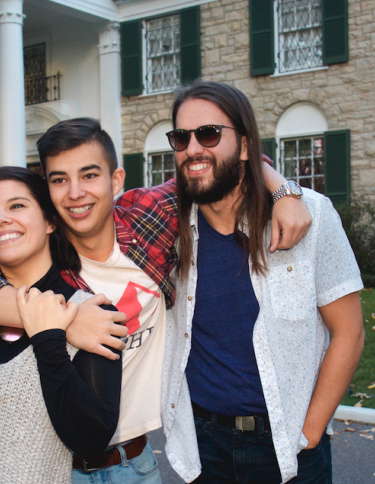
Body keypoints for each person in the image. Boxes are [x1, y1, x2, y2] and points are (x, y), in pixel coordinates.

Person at [0, 118, 311, 483]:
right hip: (55, 466)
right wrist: (65, 319)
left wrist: (284, 192)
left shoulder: (147, 216)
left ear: (115, 180)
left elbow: (221, 163)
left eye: (89, 175)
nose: (75, 193)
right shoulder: (40, 253)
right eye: (59, 180)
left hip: (136, 460)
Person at [161, 81, 365, 484]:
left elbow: (350, 333)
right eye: (181, 138)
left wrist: (310, 433)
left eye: (209, 133)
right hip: (204, 449)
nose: (193, 149)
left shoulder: (313, 215)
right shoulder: (167, 231)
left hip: (292, 448)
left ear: (244, 145)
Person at [0, 166, 122, 483]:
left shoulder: (91, 311)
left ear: (51, 220)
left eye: (16, 206)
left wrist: (49, 339)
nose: (2, 218)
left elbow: (90, 439)